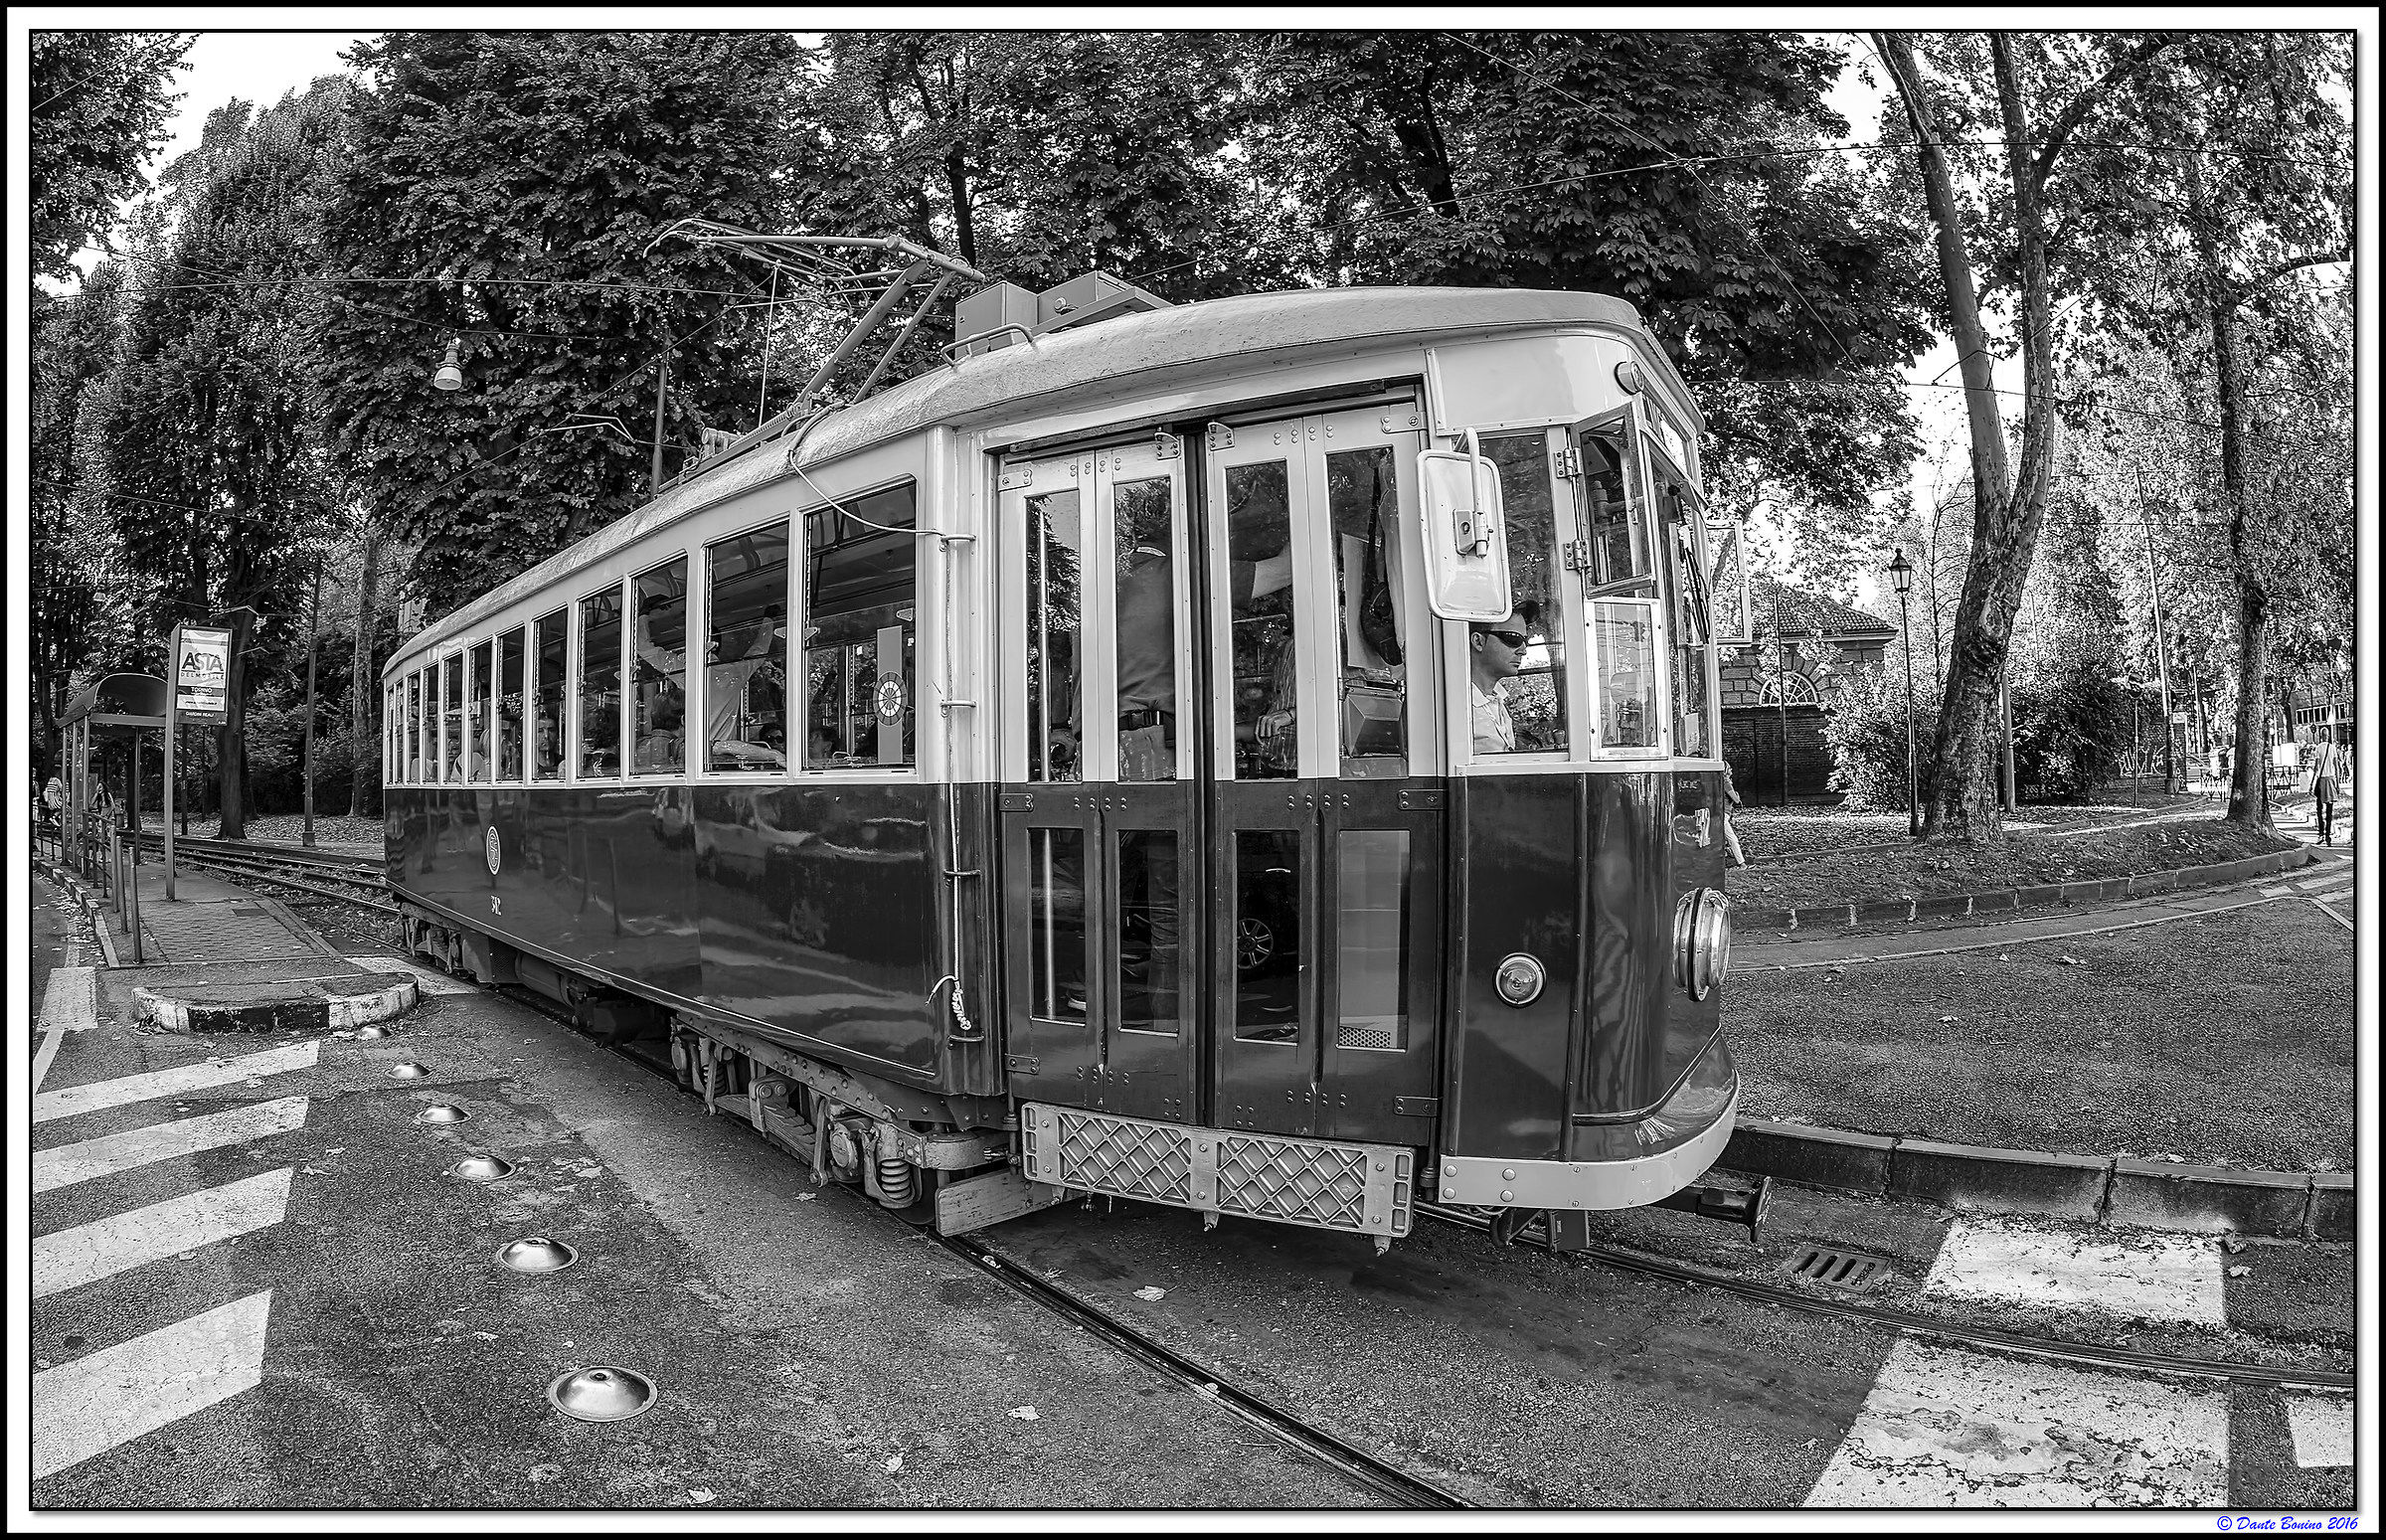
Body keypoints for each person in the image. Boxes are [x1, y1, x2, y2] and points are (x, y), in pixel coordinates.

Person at [1468, 614, 1527, 754]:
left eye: (1526, 640)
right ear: (1478, 642)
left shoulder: (1497, 699)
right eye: (1513, 638)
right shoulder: (1450, 705)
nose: (1523, 650)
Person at [1720, 760, 1748, 867]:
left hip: (1723, 813)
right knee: (1732, 839)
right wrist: (1737, 795)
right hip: (1724, 814)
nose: (1731, 770)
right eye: (1730, 768)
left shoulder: (1721, 782)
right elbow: (1736, 800)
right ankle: (1742, 863)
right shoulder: (1726, 783)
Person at [2311, 757, 2341, 846]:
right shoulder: (2333, 748)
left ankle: (2321, 834)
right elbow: (2337, 768)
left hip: (2321, 781)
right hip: (2331, 781)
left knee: (2319, 809)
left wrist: (2311, 783)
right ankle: (2328, 836)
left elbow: (2316, 768)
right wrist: (2338, 784)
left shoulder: (2319, 748)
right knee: (2329, 810)